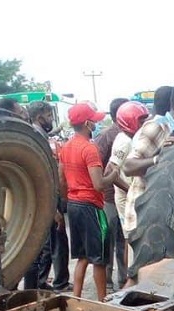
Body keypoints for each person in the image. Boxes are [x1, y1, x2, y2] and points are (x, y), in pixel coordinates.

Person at [122, 79, 174, 284]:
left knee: (159, 277)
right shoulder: (157, 128)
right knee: (142, 277)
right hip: (145, 215)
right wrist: (158, 158)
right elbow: (128, 166)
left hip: (162, 213)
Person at [58, 102, 118, 300]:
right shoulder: (89, 149)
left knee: (82, 257)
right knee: (99, 258)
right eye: (93, 121)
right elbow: (99, 184)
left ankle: (75, 298)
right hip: (91, 206)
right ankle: (102, 301)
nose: (95, 124)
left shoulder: (65, 148)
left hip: (74, 205)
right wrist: (113, 174)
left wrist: (67, 200)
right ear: (87, 124)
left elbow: (61, 179)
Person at [24, 100, 71, 292]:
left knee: (46, 248)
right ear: (39, 116)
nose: (51, 119)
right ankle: (36, 290)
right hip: (44, 202)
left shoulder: (40, 135)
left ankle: (40, 286)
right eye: (49, 116)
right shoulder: (37, 137)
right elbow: (41, 177)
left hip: (45, 201)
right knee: (43, 250)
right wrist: (53, 209)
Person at [94, 97, 129, 292]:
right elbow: (98, 166)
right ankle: (109, 279)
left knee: (121, 239)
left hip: (118, 195)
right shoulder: (108, 136)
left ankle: (123, 279)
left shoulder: (127, 134)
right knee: (109, 240)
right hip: (109, 197)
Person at [106, 101, 149, 252]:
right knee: (131, 239)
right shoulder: (124, 141)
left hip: (133, 196)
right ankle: (128, 274)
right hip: (125, 198)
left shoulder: (133, 138)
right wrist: (130, 189)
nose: (144, 124)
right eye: (141, 120)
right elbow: (110, 171)